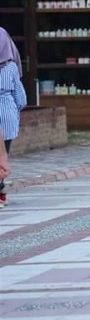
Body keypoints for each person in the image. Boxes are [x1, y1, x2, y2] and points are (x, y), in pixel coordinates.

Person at [0, 27, 26, 208]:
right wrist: (17, 109)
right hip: (7, 114)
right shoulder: (11, 67)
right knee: (2, 154)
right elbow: (21, 97)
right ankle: (1, 191)